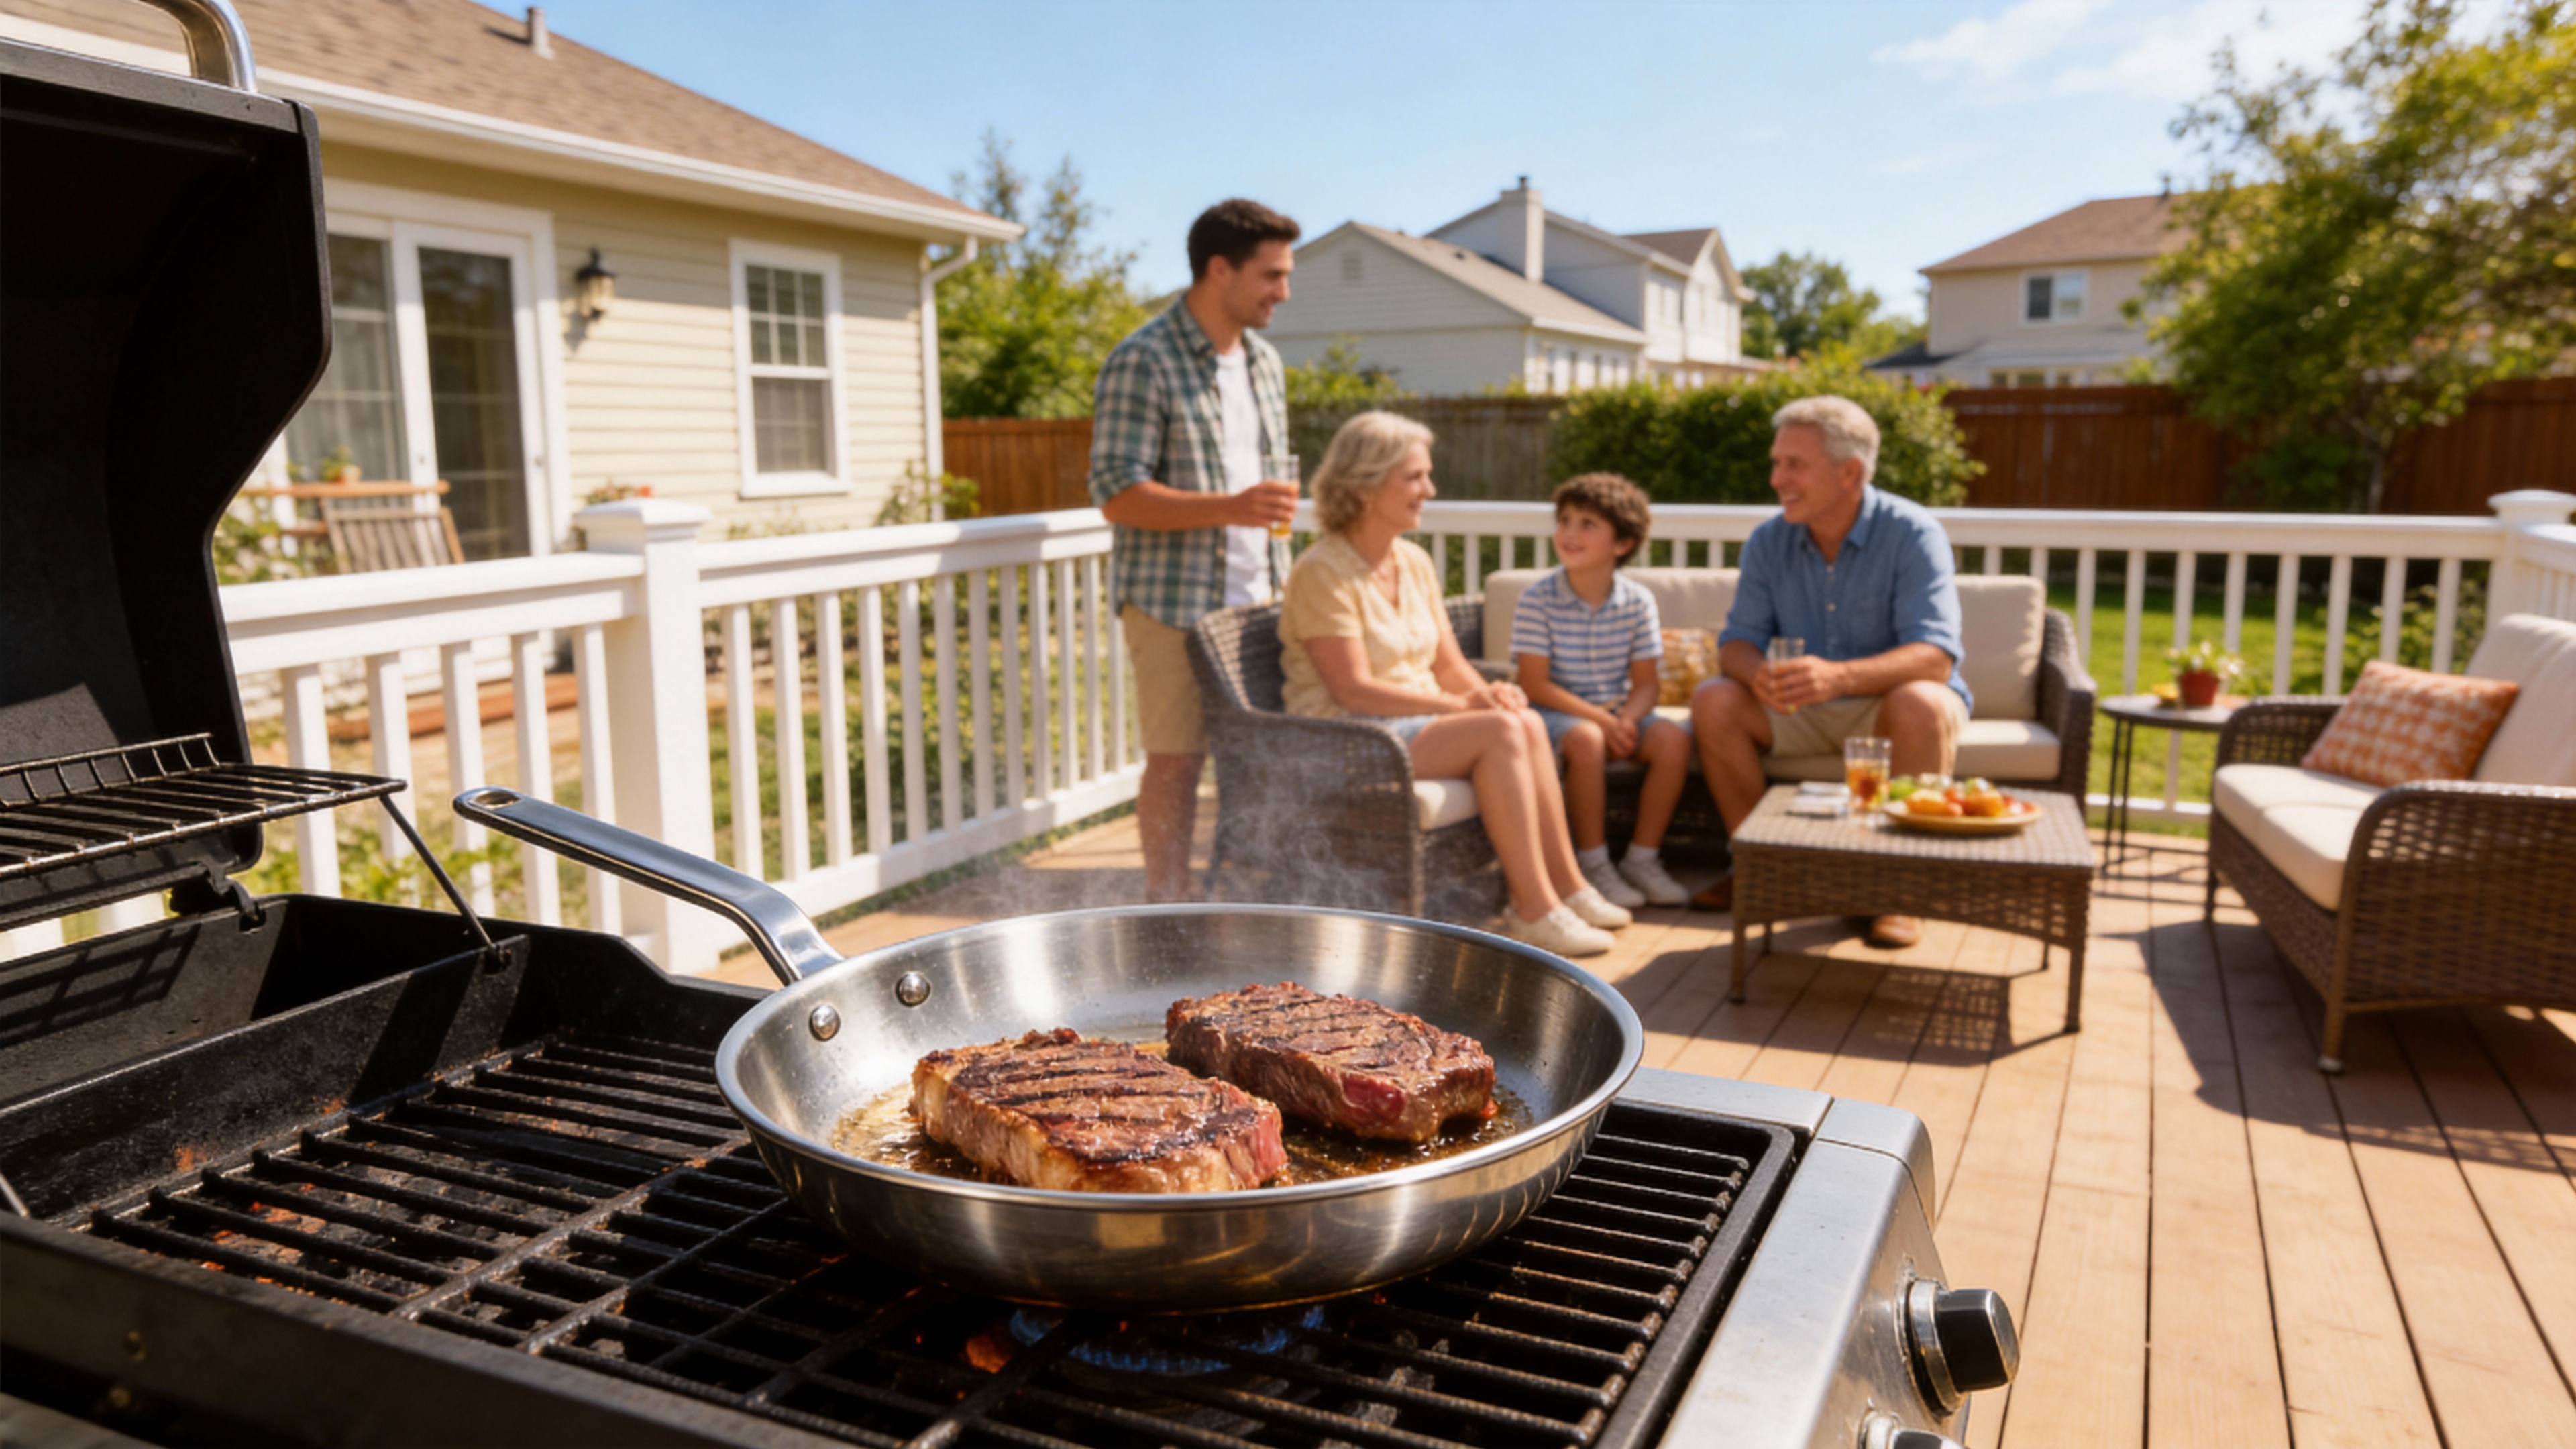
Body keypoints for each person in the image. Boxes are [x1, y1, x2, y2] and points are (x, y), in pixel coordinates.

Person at [1279, 411, 1633, 958]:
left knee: (1523, 719)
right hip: (1347, 738)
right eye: (1415, 477)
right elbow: (1353, 690)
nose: (1431, 489)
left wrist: (1489, 694)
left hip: (1410, 723)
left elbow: (1448, 662)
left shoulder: (1413, 561)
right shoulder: (1322, 571)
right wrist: (1459, 703)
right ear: (1367, 484)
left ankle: (1569, 888)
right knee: (1500, 734)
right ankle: (1533, 909)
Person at [1688, 396, 1970, 948]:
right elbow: (1736, 643)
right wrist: (1755, 674)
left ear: (1850, 473)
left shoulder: (1914, 534)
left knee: (1922, 701)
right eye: (1776, 463)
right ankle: (1762, 870)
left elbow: (1935, 655)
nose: (1777, 478)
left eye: (1794, 464)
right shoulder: (1769, 541)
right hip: (1798, 707)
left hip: (1887, 703)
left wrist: (1838, 678)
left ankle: (1900, 893)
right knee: (1714, 698)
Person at [1089, 199, 1303, 902]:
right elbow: (1118, 493)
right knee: (1177, 764)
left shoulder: (1265, 364)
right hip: (1171, 602)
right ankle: (1167, 905)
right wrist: (1234, 507)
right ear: (1220, 269)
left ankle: (1242, 899)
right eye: (1272, 275)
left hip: (1258, 598)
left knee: (1258, 764)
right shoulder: (1142, 360)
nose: (1284, 291)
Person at [1510, 474, 1693, 907]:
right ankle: (1593, 865)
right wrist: (1604, 722)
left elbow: (1648, 685)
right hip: (1557, 718)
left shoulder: (1637, 602)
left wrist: (1627, 720)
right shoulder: (1536, 599)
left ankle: (1641, 859)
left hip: (1616, 714)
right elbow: (1534, 684)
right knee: (1588, 738)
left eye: (1588, 524)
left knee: (1672, 738)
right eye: (1566, 520)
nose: (1570, 533)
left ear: (1623, 544)